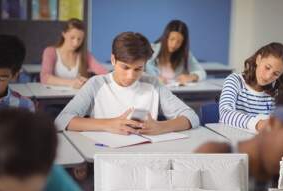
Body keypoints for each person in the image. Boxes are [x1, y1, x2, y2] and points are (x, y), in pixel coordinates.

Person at [54, 31, 200, 134]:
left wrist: (160, 127)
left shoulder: (153, 84)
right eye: (125, 67)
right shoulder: (96, 84)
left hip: (144, 155)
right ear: (113, 60)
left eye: (138, 69)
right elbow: (62, 120)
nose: (131, 76)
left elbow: (191, 117)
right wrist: (108, 124)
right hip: (102, 154)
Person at [219, 42, 283, 132]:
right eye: (267, 67)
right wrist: (258, 124)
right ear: (258, 59)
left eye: (276, 74)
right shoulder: (235, 81)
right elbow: (225, 113)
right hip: (229, 138)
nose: (268, 76)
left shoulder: (276, 91)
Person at [40, 18, 108, 89]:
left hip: (76, 97)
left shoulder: (85, 54)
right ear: (64, 34)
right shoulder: (50, 52)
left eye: (79, 39)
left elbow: (103, 72)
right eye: (72, 38)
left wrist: (88, 82)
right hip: (53, 96)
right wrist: (72, 82)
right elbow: (45, 77)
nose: (76, 43)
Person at [145, 20, 206, 85]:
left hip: (177, 92)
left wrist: (191, 77)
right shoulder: (152, 49)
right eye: (172, 39)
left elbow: (202, 72)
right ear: (166, 38)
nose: (174, 44)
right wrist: (155, 78)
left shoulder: (185, 54)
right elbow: (143, 69)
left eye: (179, 41)